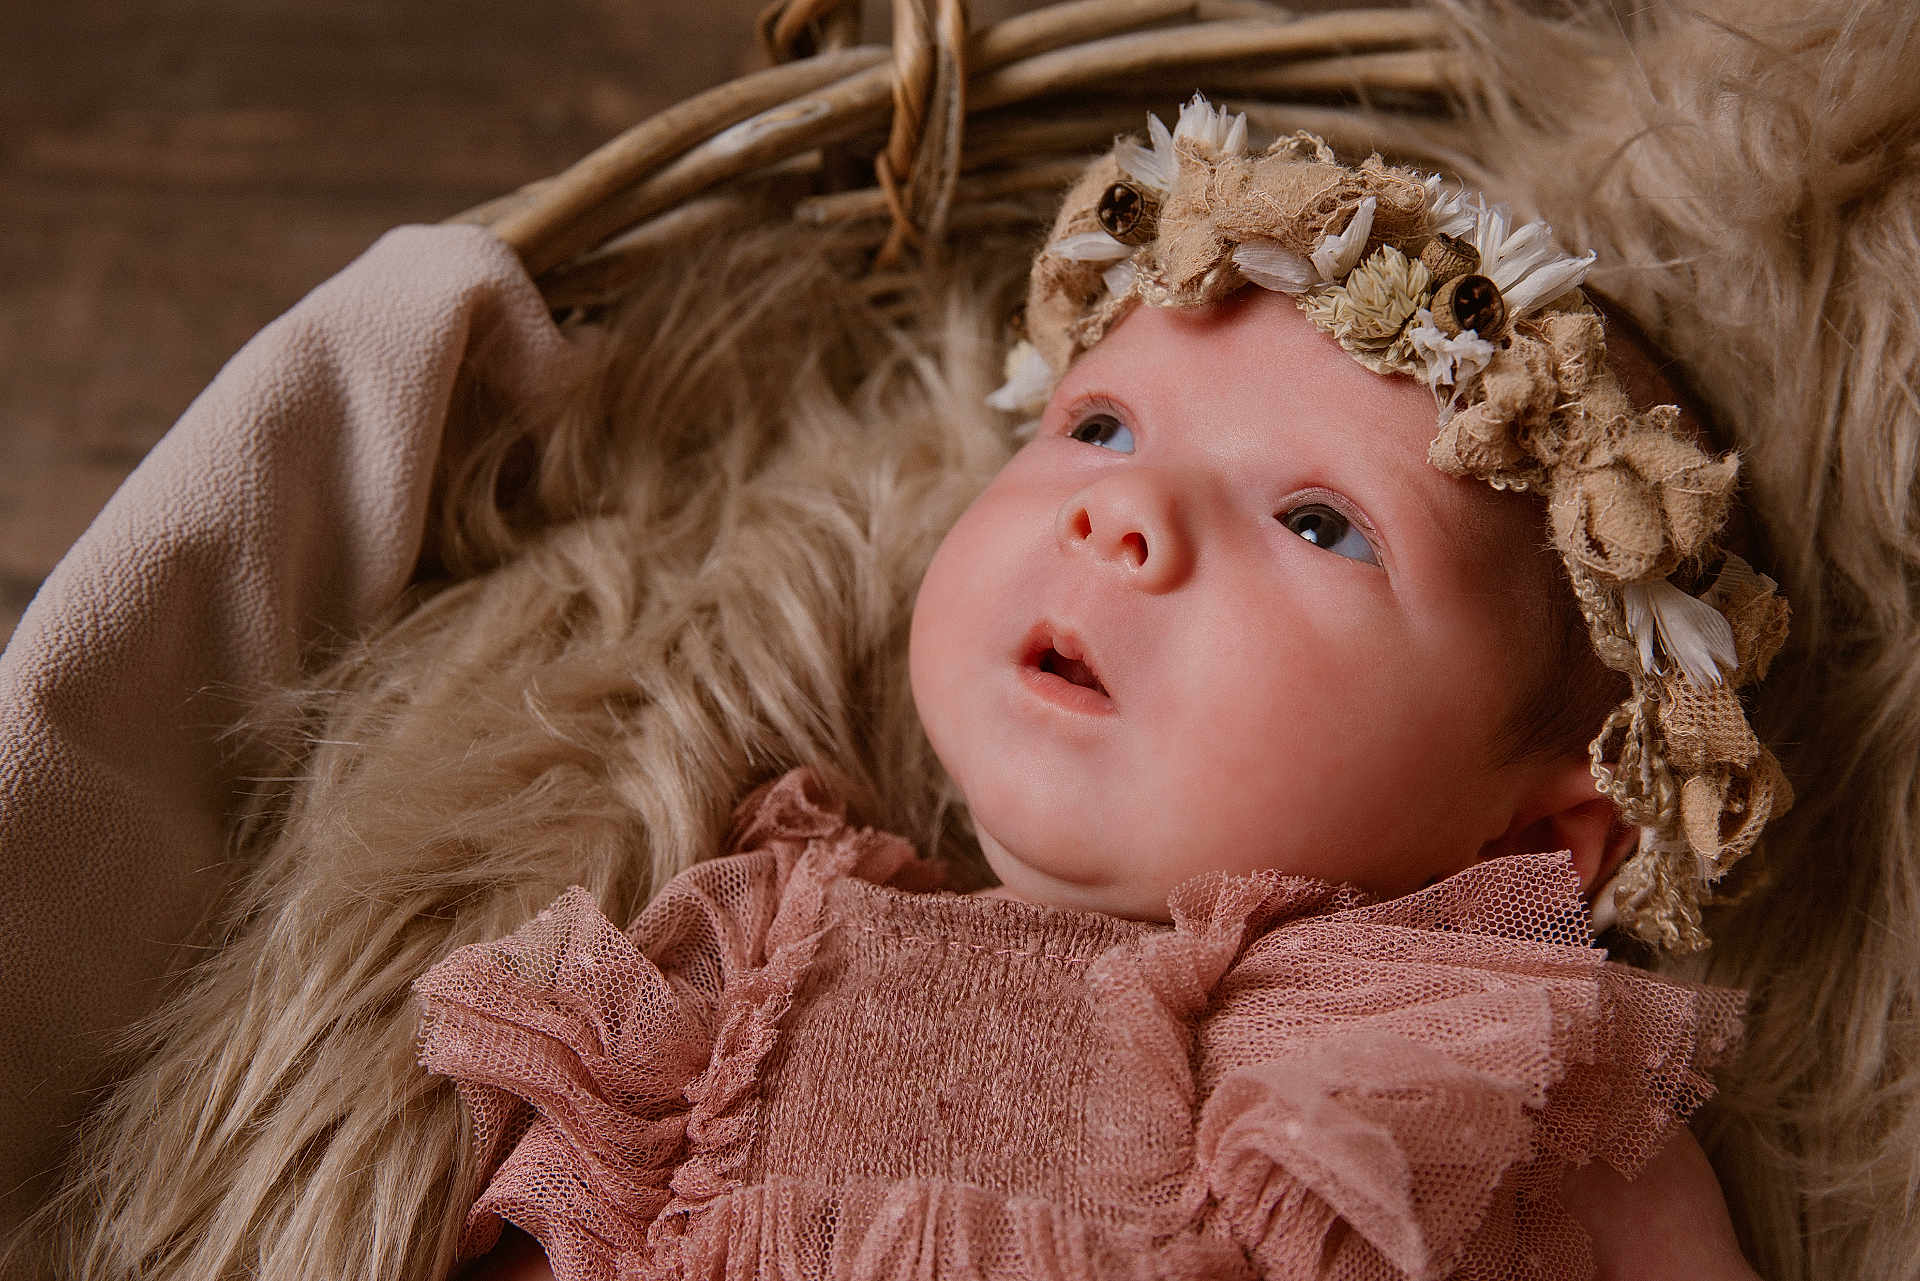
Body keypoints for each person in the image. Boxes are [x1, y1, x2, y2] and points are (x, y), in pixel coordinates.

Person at [415, 99, 1782, 1280]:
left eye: (1318, 522)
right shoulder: (764, 956)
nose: (1122, 510)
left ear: (1534, 844)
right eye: (1100, 426)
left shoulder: (1536, 1096)